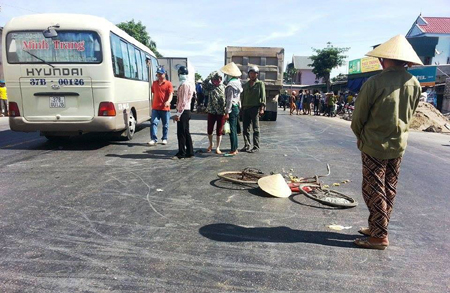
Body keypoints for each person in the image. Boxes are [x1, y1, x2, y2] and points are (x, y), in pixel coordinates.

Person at [351, 35, 422, 250]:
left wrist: (360, 136)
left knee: (373, 188)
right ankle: (376, 227)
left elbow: (358, 117)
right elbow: (411, 114)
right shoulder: (414, 83)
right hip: (398, 144)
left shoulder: (375, 82)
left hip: (374, 143)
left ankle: (379, 236)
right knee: (389, 187)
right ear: (407, 62)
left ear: (383, 59)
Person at [241, 65, 266, 153]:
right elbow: (242, 96)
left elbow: (262, 96)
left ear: (257, 74)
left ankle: (256, 146)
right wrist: (241, 107)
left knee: (256, 128)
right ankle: (247, 145)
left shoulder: (260, 84)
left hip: (255, 108)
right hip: (245, 108)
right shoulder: (246, 84)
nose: (252, 75)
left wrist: (262, 108)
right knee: (245, 128)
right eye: (251, 73)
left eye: (254, 73)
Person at [172, 66, 195, 159]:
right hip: (185, 111)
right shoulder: (185, 84)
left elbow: (183, 101)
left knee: (181, 133)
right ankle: (190, 152)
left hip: (183, 111)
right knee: (186, 132)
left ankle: (182, 153)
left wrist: (178, 114)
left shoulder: (185, 85)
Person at [221, 62, 243, 156]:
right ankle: (235, 148)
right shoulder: (238, 83)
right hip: (236, 107)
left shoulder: (230, 85)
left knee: (232, 129)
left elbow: (229, 100)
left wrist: (227, 112)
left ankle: (233, 149)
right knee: (234, 128)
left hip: (232, 108)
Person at [148, 66, 173, 146]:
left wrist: (168, 101)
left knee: (165, 124)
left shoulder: (168, 84)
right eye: (158, 74)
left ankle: (164, 138)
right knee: (153, 123)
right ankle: (153, 139)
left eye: (160, 74)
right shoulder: (154, 83)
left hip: (165, 108)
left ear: (164, 74)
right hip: (155, 107)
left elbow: (171, 94)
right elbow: (153, 94)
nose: (159, 76)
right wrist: (152, 104)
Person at [203, 71, 226, 154]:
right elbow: (204, 83)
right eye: (215, 79)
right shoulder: (210, 87)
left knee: (219, 131)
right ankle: (210, 144)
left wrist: (227, 111)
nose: (217, 80)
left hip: (221, 112)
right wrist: (210, 75)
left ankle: (218, 147)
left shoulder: (224, 87)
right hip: (211, 111)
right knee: (210, 129)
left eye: (219, 78)